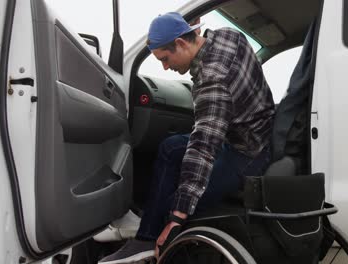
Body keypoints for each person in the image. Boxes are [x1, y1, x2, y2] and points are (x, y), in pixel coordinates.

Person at [99, 12, 275, 264]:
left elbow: (203, 148)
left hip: (248, 151)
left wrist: (177, 216)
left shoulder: (211, 82)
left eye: (165, 58)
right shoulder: (230, 36)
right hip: (252, 130)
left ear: (181, 43)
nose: (165, 67)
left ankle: (162, 242)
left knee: (173, 205)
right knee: (171, 147)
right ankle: (145, 238)